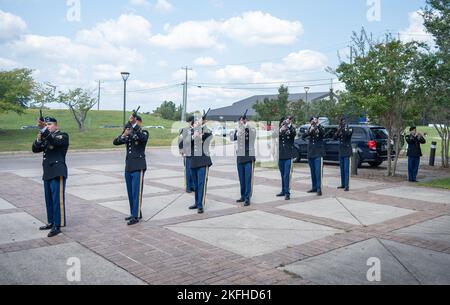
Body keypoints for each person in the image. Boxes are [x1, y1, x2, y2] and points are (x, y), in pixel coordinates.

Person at [32, 116, 69, 238]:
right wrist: (38, 139)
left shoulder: (62, 136)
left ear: (56, 126)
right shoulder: (47, 137)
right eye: (46, 124)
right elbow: (35, 149)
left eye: (49, 124)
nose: (47, 126)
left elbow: (55, 142)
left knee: (57, 200)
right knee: (49, 200)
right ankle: (51, 222)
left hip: (57, 171)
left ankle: (57, 225)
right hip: (47, 172)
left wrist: (44, 130)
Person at [113, 114, 149, 225]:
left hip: (138, 166)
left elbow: (142, 138)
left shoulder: (143, 133)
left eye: (135, 122)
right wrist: (124, 134)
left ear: (139, 123)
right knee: (130, 192)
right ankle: (135, 212)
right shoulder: (129, 134)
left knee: (136, 191)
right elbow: (116, 142)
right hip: (128, 166)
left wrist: (134, 125)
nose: (132, 124)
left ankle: (136, 216)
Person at [188, 111, 213, 214]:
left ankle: (200, 205)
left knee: (201, 183)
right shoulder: (190, 133)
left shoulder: (205, 130)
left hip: (203, 161)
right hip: (193, 161)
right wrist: (194, 134)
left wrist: (202, 126)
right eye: (195, 123)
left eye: (198, 122)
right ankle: (196, 202)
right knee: (196, 184)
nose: (196, 124)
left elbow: (209, 135)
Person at [232, 111, 256, 206]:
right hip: (240, 157)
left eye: (242, 121)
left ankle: (247, 198)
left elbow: (253, 136)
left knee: (248, 178)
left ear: (245, 121)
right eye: (240, 121)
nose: (240, 122)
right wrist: (239, 129)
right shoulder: (238, 130)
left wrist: (246, 126)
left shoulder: (250, 129)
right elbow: (234, 137)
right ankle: (242, 196)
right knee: (241, 178)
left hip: (249, 157)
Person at [302, 117, 325, 196]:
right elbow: (303, 136)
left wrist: (317, 125)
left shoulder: (320, 127)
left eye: (314, 120)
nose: (313, 122)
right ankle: (314, 187)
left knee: (318, 171)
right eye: (311, 120)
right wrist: (310, 130)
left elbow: (322, 133)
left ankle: (319, 189)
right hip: (311, 152)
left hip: (318, 152)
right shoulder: (309, 128)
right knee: (312, 171)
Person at [276, 116, 297, 200]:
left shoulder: (291, 128)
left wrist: (288, 126)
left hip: (288, 155)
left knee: (286, 175)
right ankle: (283, 190)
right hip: (281, 155)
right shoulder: (280, 129)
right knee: (282, 174)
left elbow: (293, 134)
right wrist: (281, 128)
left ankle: (287, 193)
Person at [333, 116, 353, 191]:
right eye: (341, 121)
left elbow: (347, 134)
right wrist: (338, 131)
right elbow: (334, 138)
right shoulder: (340, 129)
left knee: (346, 169)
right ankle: (343, 184)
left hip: (347, 151)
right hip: (341, 151)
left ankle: (347, 186)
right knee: (342, 169)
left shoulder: (349, 128)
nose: (342, 123)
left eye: (343, 121)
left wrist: (342, 129)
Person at [179, 116, 195, 193]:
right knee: (188, 171)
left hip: (194, 153)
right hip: (187, 153)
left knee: (193, 171)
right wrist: (182, 151)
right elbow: (180, 141)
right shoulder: (184, 130)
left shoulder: (195, 129)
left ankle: (192, 186)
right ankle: (188, 186)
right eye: (191, 122)